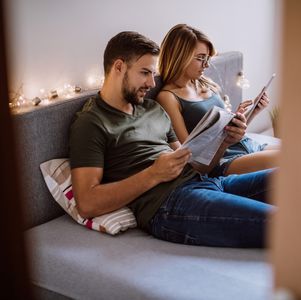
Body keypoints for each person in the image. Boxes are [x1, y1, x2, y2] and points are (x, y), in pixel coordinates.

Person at [69, 31, 276, 248]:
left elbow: (196, 165)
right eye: (145, 73)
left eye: (153, 74)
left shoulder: (153, 109)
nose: (151, 83)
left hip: (207, 183)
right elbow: (87, 203)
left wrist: (224, 141)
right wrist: (153, 174)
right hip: (169, 205)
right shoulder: (91, 123)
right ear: (119, 67)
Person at [157, 24, 279, 177]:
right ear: (180, 56)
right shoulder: (168, 96)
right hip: (224, 159)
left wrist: (251, 112)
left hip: (246, 144)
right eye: (201, 58)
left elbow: (229, 131)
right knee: (290, 160)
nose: (206, 65)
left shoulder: (204, 82)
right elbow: (187, 151)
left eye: (207, 58)